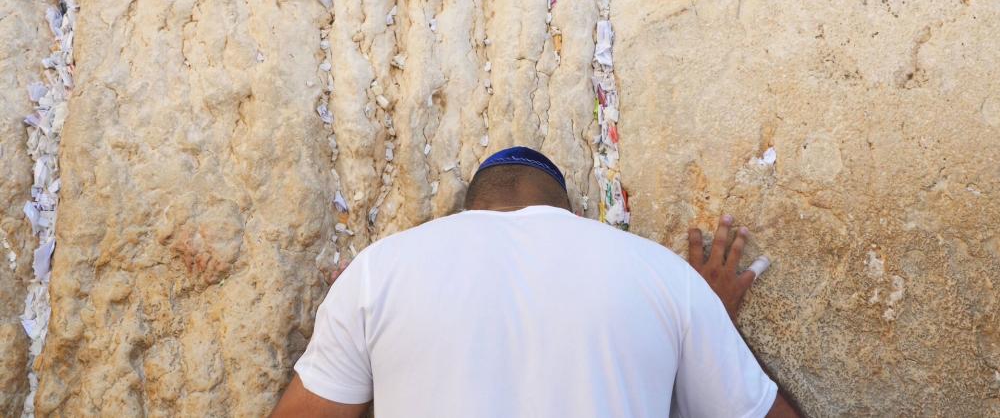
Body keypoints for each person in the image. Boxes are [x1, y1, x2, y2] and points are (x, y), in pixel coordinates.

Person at [270, 146, 801, 417]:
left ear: (471, 208)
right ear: (567, 211)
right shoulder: (662, 277)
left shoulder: (379, 271)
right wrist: (709, 322)